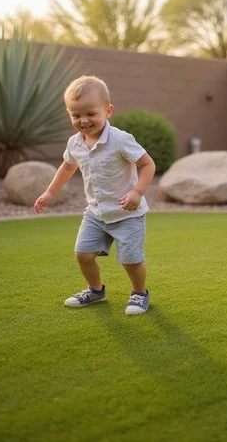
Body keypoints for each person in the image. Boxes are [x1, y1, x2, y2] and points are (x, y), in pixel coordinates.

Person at [34, 75, 156, 315]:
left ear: (108, 110)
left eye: (91, 113)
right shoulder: (75, 143)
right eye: (76, 115)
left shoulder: (120, 140)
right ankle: (96, 290)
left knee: (131, 260)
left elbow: (148, 164)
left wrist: (137, 192)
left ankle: (140, 294)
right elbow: (68, 167)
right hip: (96, 213)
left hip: (127, 213)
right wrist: (49, 192)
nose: (83, 120)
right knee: (83, 254)